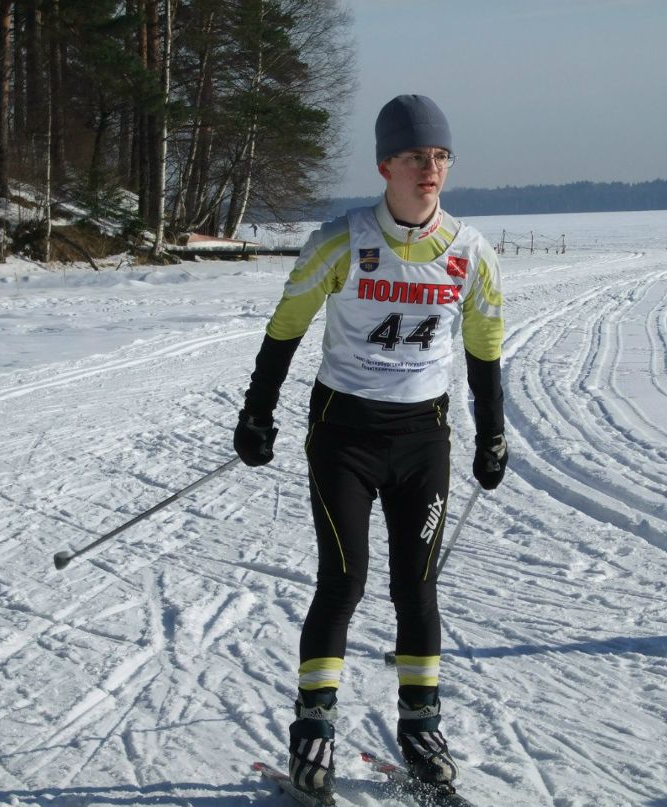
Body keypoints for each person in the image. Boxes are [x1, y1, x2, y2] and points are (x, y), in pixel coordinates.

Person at [233, 94, 507, 800]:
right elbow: (286, 327)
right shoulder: (340, 241)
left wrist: (494, 429)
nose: (431, 170)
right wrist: (256, 411)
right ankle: (314, 728)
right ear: (385, 163)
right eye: (417, 157)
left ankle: (420, 726)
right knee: (345, 579)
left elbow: (484, 350)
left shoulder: (470, 254)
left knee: (416, 585)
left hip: (424, 441)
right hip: (344, 439)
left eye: (442, 157)